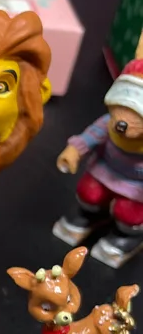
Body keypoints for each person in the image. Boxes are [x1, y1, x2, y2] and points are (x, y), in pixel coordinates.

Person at [55, 57, 143, 267]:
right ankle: (89, 214)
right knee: (89, 192)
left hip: (136, 189)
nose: (122, 123)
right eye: (121, 107)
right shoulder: (109, 124)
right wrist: (74, 150)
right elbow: (91, 135)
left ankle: (127, 235)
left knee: (128, 212)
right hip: (104, 171)